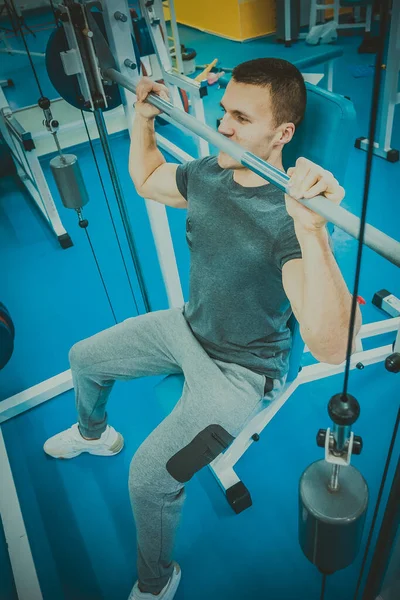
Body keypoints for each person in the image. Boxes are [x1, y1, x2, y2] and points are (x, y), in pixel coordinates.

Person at [44, 58, 362, 600]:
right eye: (223, 113)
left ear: (283, 133)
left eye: (241, 118)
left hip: (240, 372)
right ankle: (95, 435)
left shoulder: (287, 218)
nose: (223, 127)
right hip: (186, 327)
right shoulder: (209, 173)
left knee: (149, 479)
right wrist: (142, 119)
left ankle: (157, 581)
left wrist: (313, 229)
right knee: (83, 358)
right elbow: (146, 179)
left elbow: (332, 346)